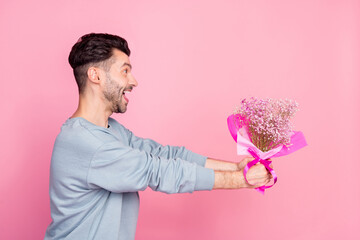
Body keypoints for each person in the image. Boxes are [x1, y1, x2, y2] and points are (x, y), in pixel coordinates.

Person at [44, 33, 273, 240]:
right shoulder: (86, 143)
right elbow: (159, 172)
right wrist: (242, 180)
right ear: (96, 75)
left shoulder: (110, 131)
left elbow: (164, 155)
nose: (133, 81)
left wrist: (236, 168)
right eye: (125, 70)